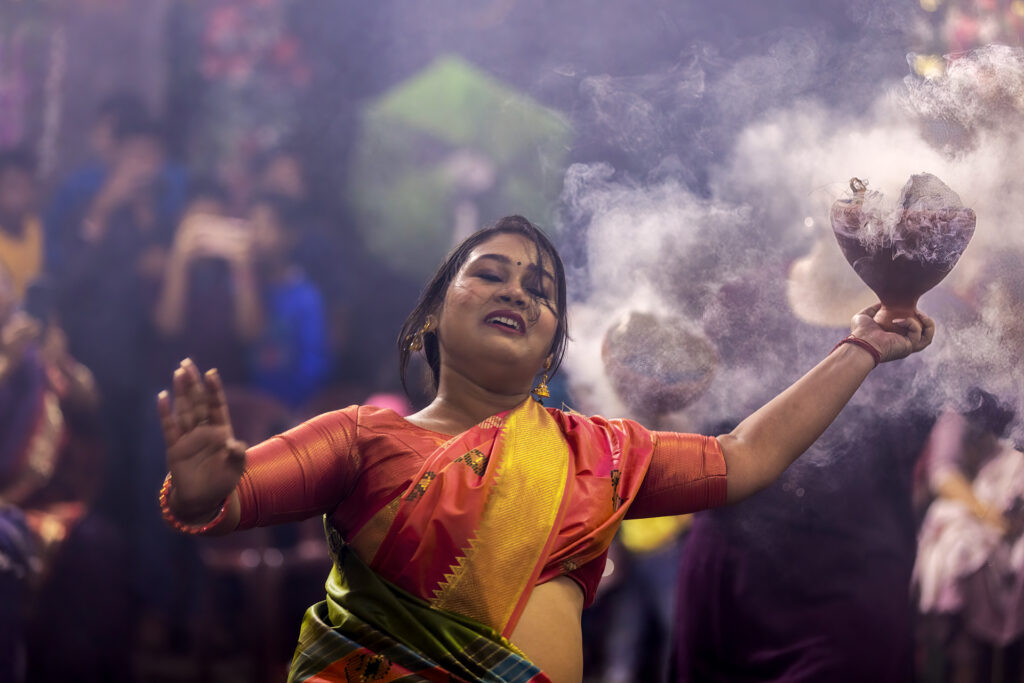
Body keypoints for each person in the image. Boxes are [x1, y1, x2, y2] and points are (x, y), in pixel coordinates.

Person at [156, 215, 933, 682]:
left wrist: (861, 347)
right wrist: (199, 482)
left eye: (540, 290)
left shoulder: (600, 453)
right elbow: (225, 499)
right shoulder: (362, 437)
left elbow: (743, 457)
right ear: (431, 318)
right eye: (490, 274)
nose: (515, 291)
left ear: (553, 347)